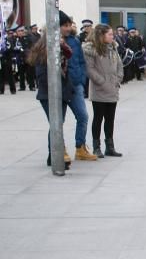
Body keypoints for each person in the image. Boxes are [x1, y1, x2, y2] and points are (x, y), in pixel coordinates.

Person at [27, 30, 74, 169]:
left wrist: (64, 47)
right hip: (48, 95)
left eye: (61, 37)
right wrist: (55, 86)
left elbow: (69, 56)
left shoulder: (62, 51)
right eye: (57, 37)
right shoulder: (43, 54)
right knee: (56, 124)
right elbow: (42, 77)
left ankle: (53, 155)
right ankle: (55, 155)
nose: (61, 39)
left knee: (58, 123)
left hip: (63, 93)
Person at [60, 13, 98, 162]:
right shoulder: (50, 41)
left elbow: (82, 61)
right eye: (65, 25)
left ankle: (80, 148)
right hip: (60, 87)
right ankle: (59, 149)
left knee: (83, 116)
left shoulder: (74, 41)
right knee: (58, 121)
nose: (69, 28)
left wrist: (81, 79)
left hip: (75, 85)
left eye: (70, 25)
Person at [82, 24, 124, 158]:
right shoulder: (91, 49)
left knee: (110, 119)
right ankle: (96, 147)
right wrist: (102, 82)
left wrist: (118, 79)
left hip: (112, 88)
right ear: (101, 35)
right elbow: (90, 69)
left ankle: (110, 146)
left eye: (113, 34)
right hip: (99, 89)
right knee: (98, 118)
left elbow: (119, 65)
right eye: (110, 34)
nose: (113, 36)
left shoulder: (113, 48)